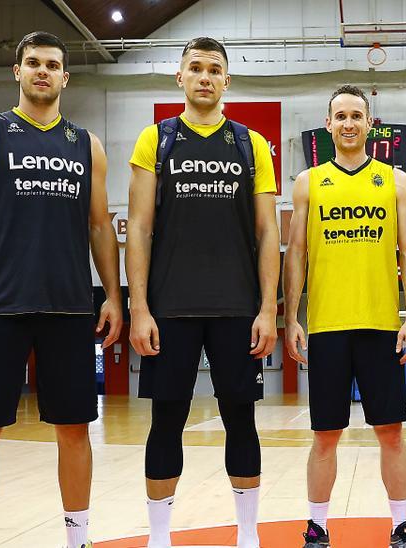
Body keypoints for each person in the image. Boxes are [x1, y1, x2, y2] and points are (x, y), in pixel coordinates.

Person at [0, 30, 122, 548]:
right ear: (17, 71)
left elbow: (100, 227)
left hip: (67, 308)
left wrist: (112, 294)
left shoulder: (87, 144)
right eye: (33, 62)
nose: (43, 71)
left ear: (66, 76)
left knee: (76, 430)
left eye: (53, 64)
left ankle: (77, 539)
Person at [123, 36, 279, 548]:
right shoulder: (157, 140)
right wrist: (138, 306)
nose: (206, 76)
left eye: (215, 69)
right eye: (196, 68)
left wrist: (267, 308)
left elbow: (267, 233)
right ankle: (161, 537)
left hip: (237, 308)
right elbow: (140, 228)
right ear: (180, 78)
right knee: (166, 420)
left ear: (227, 80)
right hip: (170, 309)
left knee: (241, 418)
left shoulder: (250, 144)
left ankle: (248, 534)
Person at [282, 85, 406, 548]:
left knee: (390, 432)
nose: (348, 123)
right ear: (328, 124)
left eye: (356, 116)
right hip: (326, 326)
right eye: (340, 116)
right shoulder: (308, 181)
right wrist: (292, 317)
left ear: (369, 124)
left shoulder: (395, 179)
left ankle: (401, 526)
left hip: (381, 324)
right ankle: (317, 525)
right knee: (325, 435)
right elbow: (297, 252)